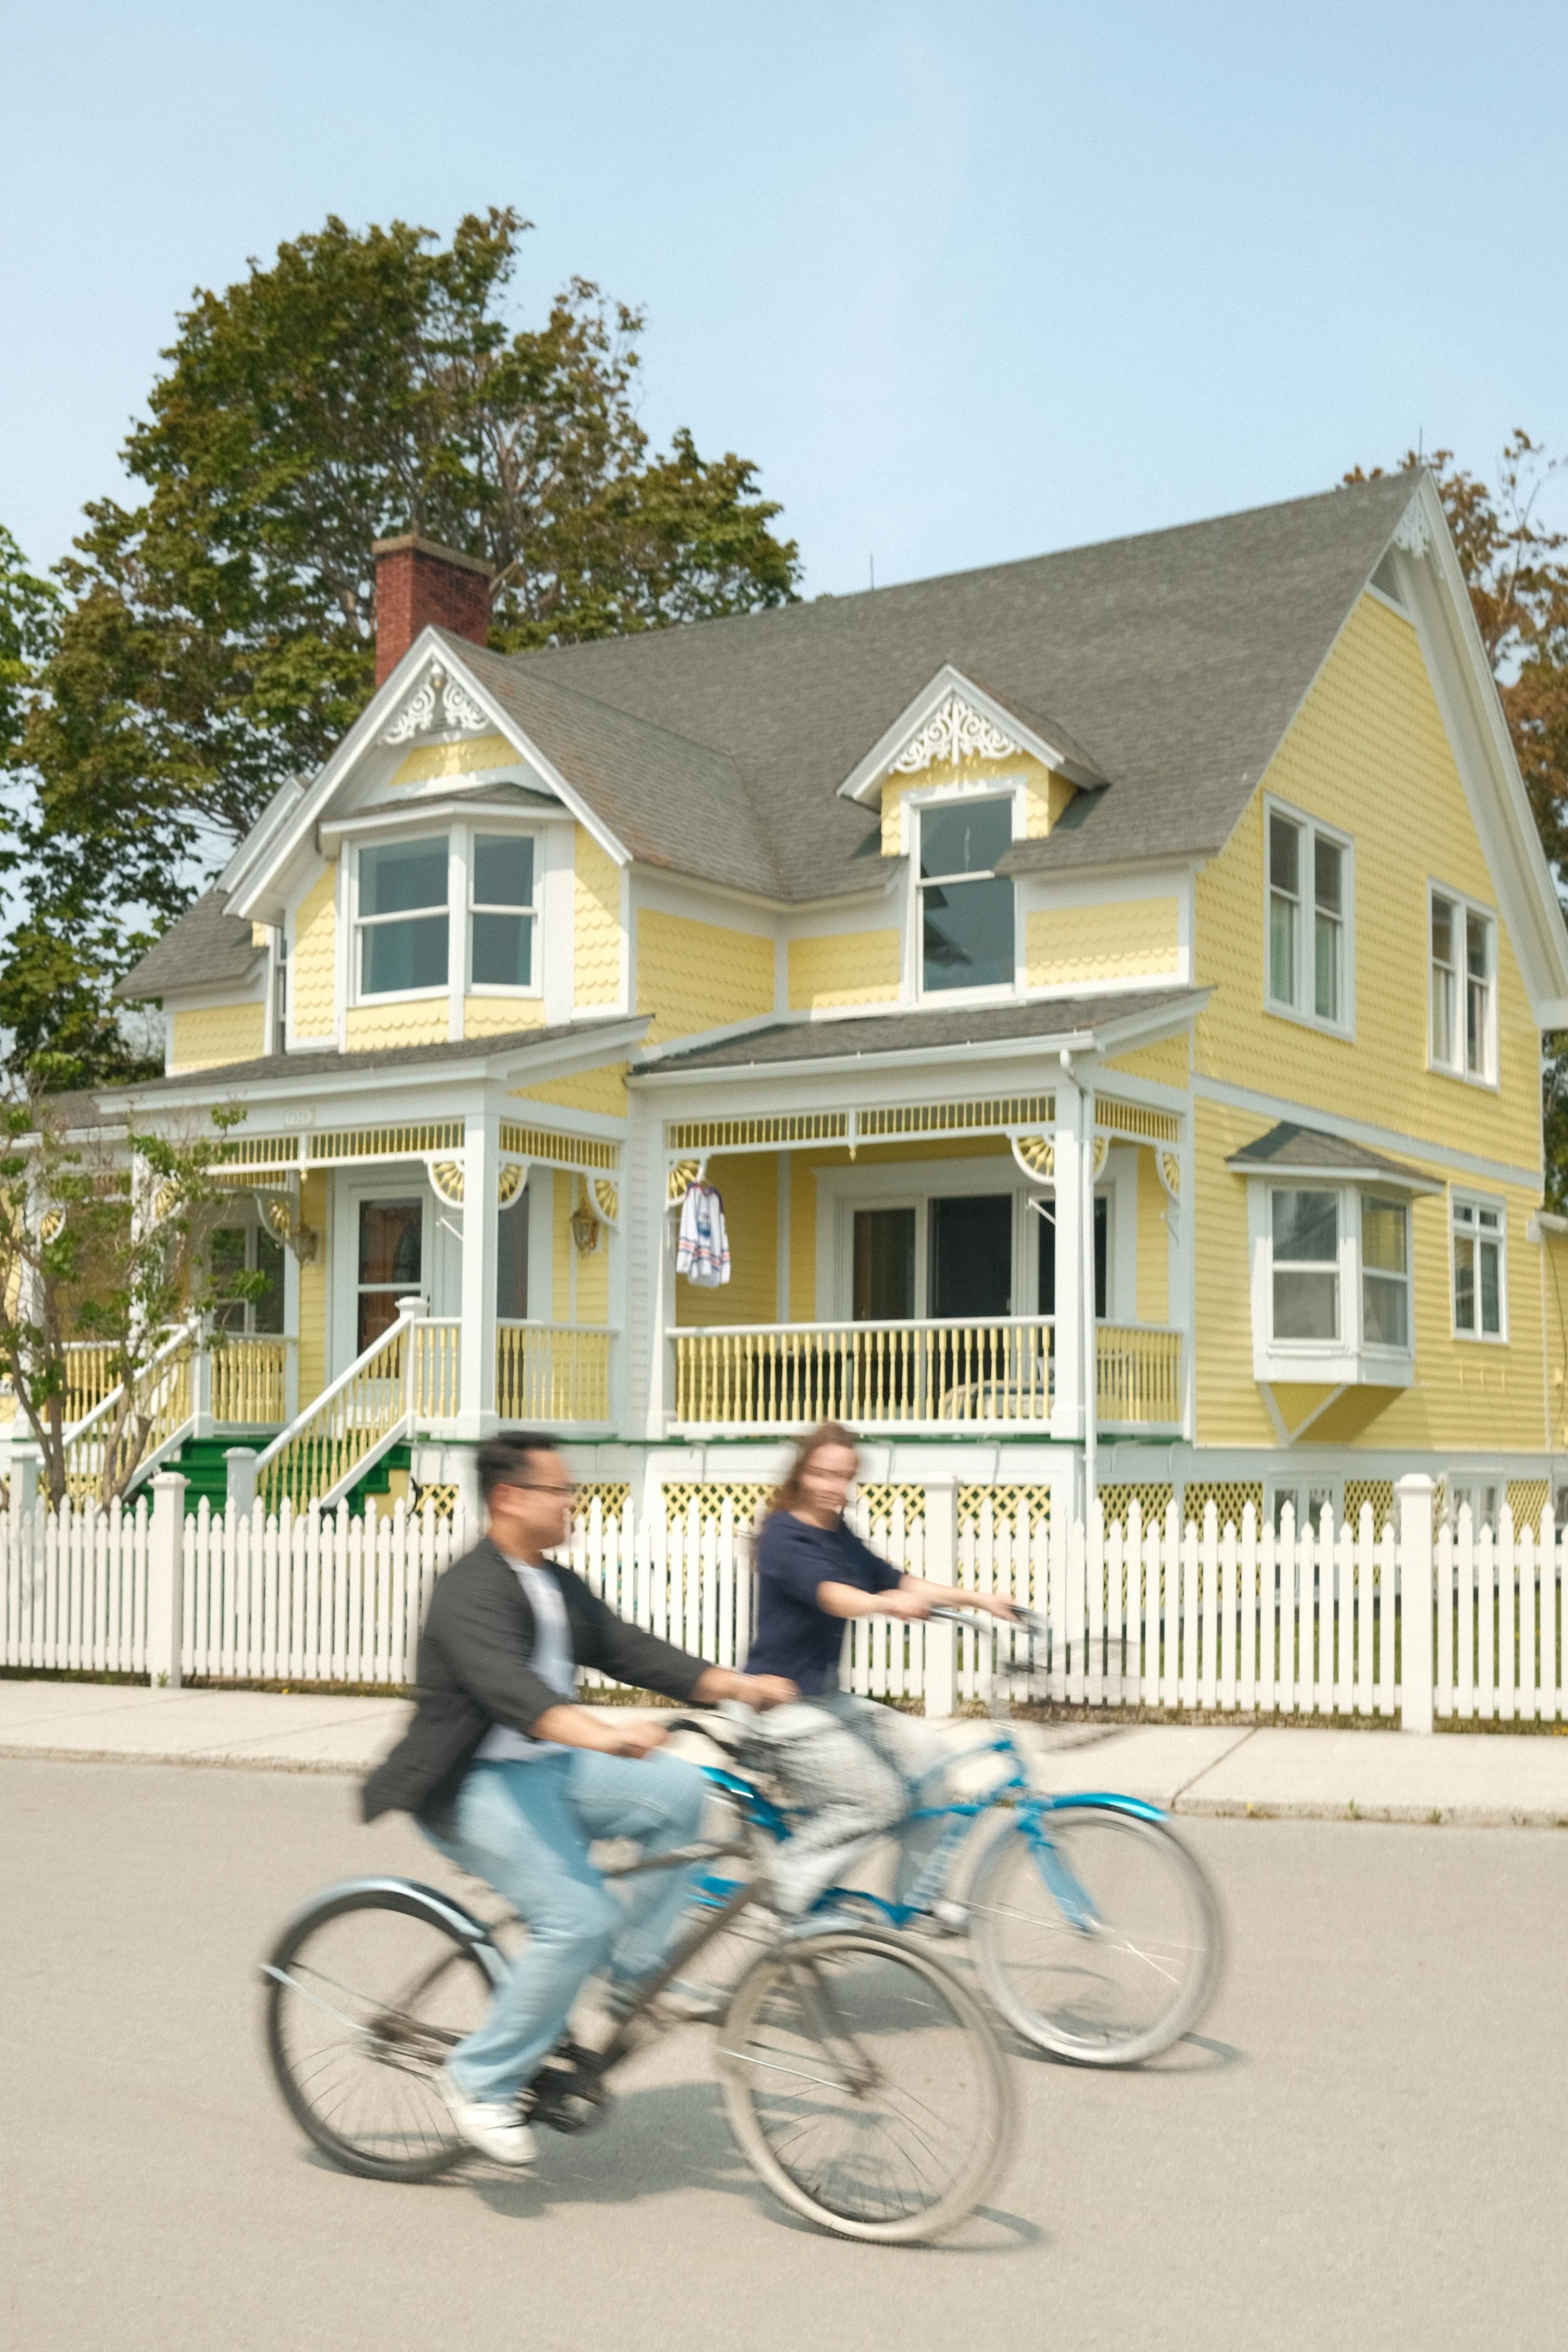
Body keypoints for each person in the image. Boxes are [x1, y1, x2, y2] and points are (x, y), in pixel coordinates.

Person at [363, 1431, 795, 2169]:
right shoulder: (468, 1591)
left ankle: (632, 1975)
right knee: (579, 1916)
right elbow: (511, 1692)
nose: (573, 1503)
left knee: (680, 1796)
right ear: (509, 1498)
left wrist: (733, 1685)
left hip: (549, 1766)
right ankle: (480, 2080)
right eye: (560, 1491)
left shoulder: (551, 1582)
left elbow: (628, 1648)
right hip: (470, 1785)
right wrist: (598, 1733)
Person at [741, 1422, 1020, 1915]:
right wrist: (883, 1605)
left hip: (825, 1700)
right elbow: (830, 1595)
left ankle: (916, 1901)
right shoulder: (783, 1534)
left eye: (844, 1477)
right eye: (823, 1474)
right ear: (802, 1473)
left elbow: (899, 1580)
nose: (834, 1487)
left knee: (931, 1758)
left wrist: (979, 1599)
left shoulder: (837, 1532)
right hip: (779, 1709)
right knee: (879, 1800)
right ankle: (783, 1890)